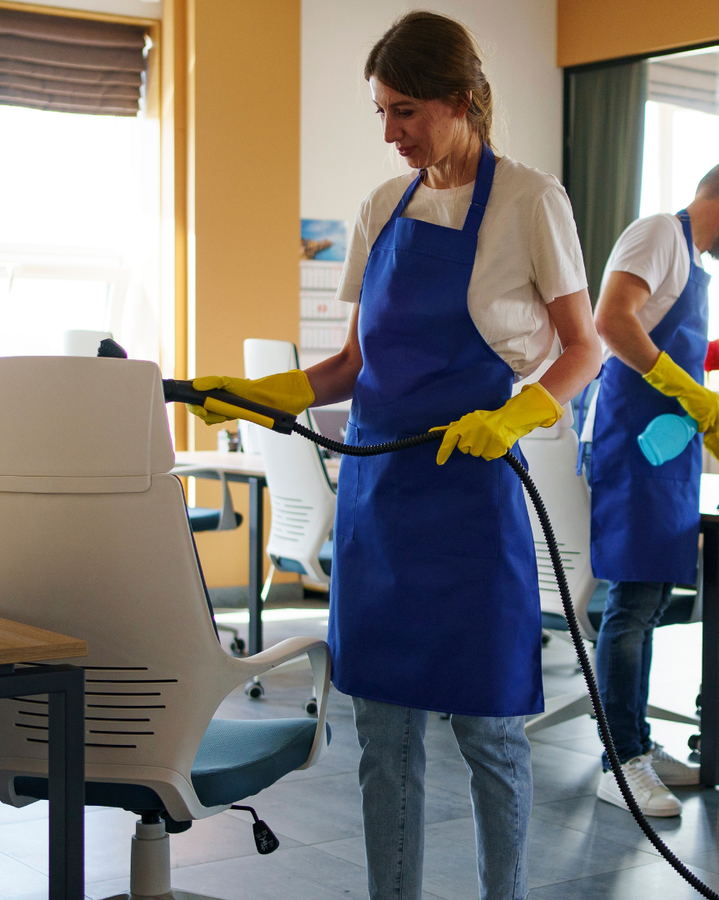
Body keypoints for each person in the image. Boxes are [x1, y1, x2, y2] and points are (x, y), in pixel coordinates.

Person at [187, 12, 600, 899]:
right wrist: (264, 394)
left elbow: (585, 347)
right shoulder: (383, 207)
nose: (390, 132)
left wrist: (519, 415)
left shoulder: (531, 201)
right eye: (381, 111)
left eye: (405, 110)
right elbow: (350, 364)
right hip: (378, 505)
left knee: (490, 733)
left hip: (473, 504)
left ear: (462, 99)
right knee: (383, 737)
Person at [587, 156, 719, 817]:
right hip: (633, 446)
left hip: (665, 452)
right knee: (631, 604)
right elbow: (612, 321)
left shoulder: (687, 260)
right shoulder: (658, 235)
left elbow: (692, 364)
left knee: (650, 601)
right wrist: (683, 387)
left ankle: (635, 744)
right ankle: (620, 763)